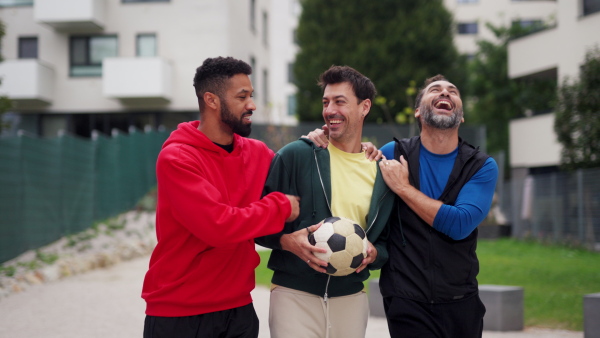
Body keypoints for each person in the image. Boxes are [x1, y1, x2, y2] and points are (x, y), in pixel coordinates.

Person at [141, 56, 301, 338]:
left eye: (251, 96)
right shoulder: (177, 158)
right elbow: (218, 226)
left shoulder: (258, 153)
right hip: (179, 312)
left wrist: (340, 145)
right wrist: (281, 207)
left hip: (238, 309)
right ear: (211, 100)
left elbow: (298, 173)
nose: (251, 105)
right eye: (242, 97)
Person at [255, 65, 395, 338]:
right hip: (294, 295)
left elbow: (388, 241)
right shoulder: (297, 155)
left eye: (340, 101)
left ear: (364, 107)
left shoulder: (381, 173)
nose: (330, 110)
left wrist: (377, 254)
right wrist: (285, 241)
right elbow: (258, 224)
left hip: (352, 299)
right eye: (326, 102)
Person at [378, 74, 499, 338]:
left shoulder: (481, 166)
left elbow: (459, 224)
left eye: (453, 92)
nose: (445, 93)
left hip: (461, 301)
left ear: (461, 115)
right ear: (418, 111)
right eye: (435, 90)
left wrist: (403, 188)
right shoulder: (391, 153)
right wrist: (321, 137)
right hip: (406, 299)